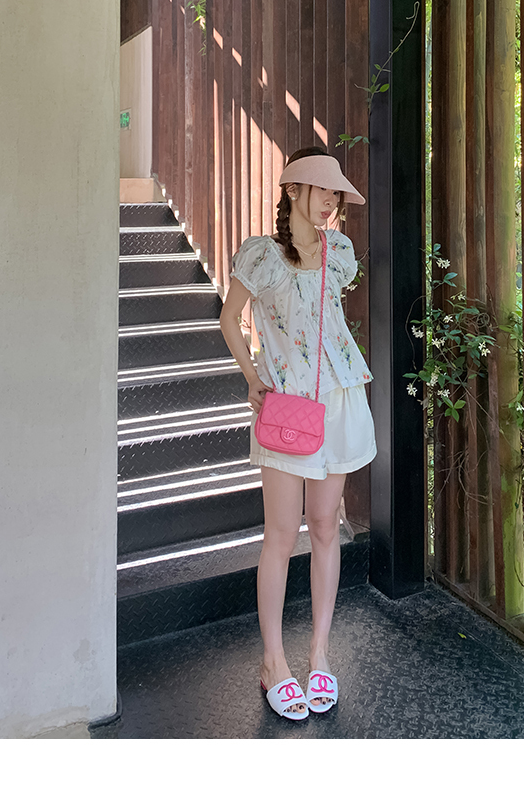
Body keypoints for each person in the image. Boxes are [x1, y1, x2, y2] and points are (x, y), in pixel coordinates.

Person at [219, 147, 376, 721]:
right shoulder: (261, 254)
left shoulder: (339, 253)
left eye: (335, 192)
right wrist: (253, 378)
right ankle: (273, 662)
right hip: (287, 409)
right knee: (282, 535)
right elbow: (229, 317)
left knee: (327, 529)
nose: (330, 200)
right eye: (321, 188)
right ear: (292, 191)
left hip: (339, 400)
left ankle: (319, 657)